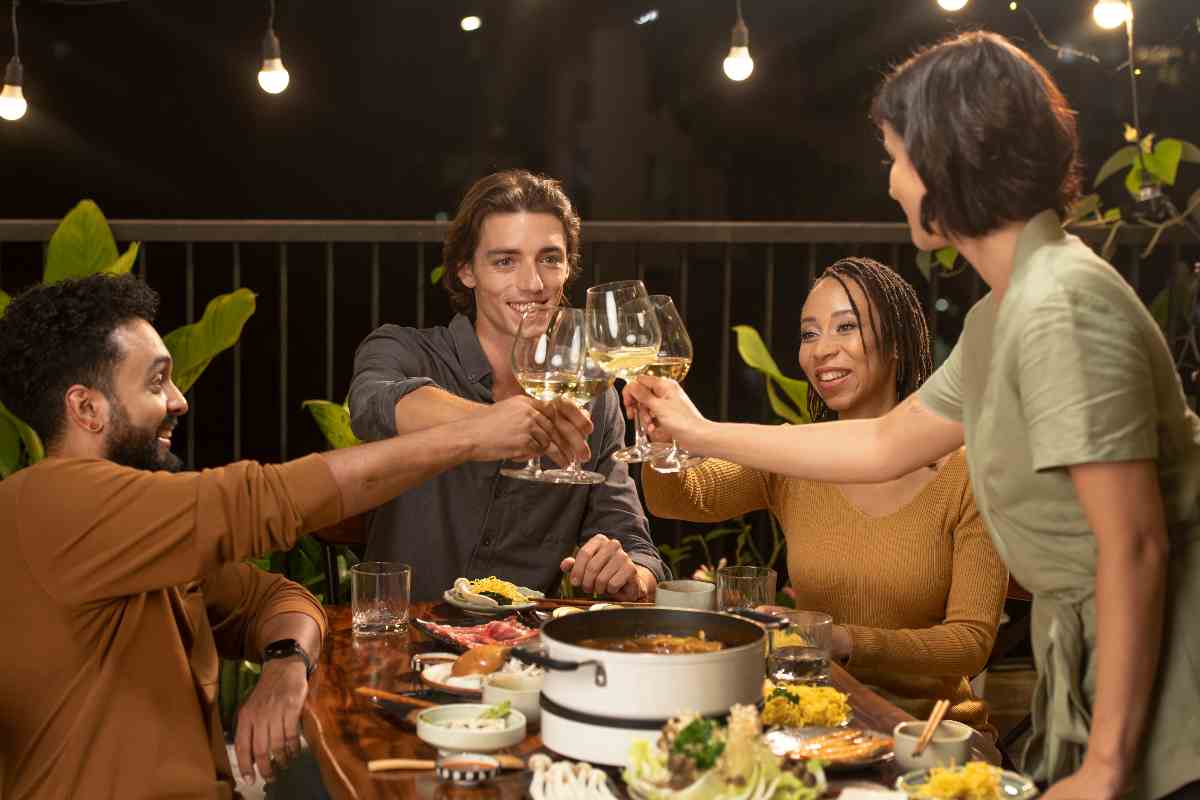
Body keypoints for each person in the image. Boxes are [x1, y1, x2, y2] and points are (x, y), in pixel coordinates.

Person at [625, 31, 1200, 800]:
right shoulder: (1011, 308)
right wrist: (694, 432)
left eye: (896, 156)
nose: (892, 182)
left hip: (1169, 681)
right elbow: (885, 443)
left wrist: (1106, 767)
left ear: (947, 160)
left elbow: (1135, 544)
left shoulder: (1058, 304)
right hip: (1095, 664)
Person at [0, 273, 579, 799]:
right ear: (86, 408)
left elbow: (280, 599)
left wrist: (283, 666)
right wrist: (473, 436)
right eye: (157, 383)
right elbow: (267, 499)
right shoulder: (49, 504)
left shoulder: (139, 530)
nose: (179, 400)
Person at [643, 256, 1007, 733]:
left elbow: (971, 643)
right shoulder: (797, 461)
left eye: (846, 327)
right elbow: (681, 498)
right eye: (809, 334)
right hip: (812, 727)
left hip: (925, 736)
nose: (821, 350)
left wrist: (844, 640)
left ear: (896, 342)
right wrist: (656, 437)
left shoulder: (965, 472)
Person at [348, 169, 668, 602]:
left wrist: (629, 574)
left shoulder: (594, 398)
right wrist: (496, 424)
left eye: (550, 259)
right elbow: (373, 407)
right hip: (403, 639)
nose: (533, 285)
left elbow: (631, 541)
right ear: (465, 271)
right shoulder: (404, 349)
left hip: (524, 655)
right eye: (505, 261)